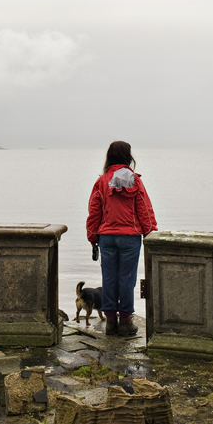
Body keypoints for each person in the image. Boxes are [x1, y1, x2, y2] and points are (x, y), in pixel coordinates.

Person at [86, 141, 157, 336]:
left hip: (107, 237)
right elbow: (144, 208)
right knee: (127, 279)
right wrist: (150, 231)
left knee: (109, 278)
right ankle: (125, 321)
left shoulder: (101, 181)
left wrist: (93, 236)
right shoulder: (134, 179)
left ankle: (110, 322)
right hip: (129, 237)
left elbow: (94, 212)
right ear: (128, 156)